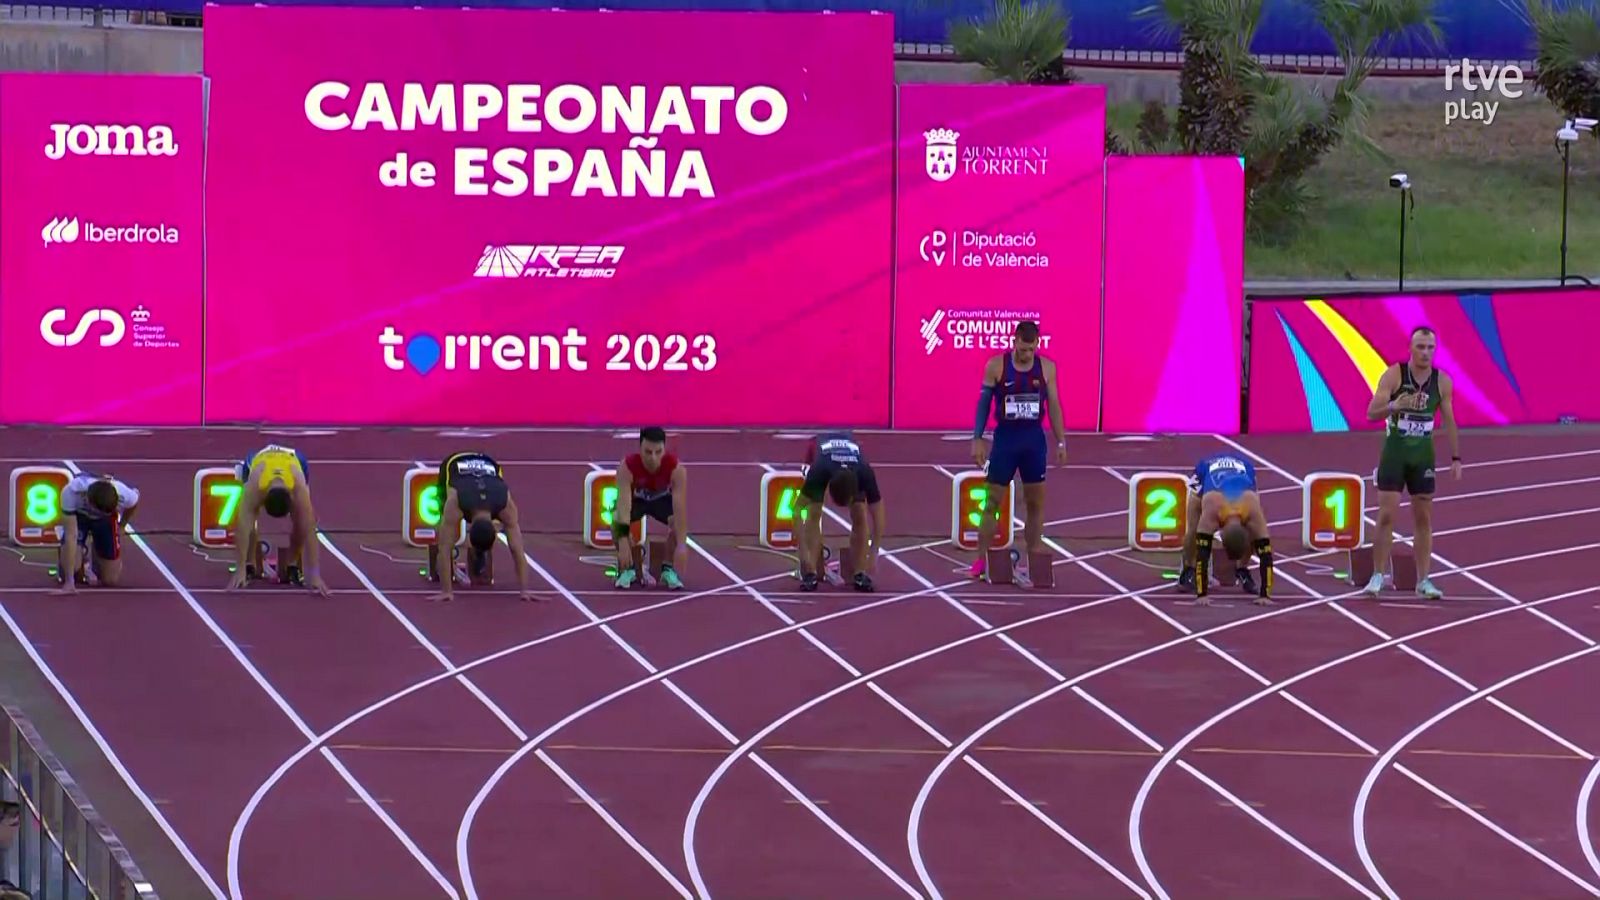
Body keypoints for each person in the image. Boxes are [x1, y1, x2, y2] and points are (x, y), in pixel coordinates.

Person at [1363, 325, 1461, 599]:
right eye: (1420, 347)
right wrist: (1396, 405)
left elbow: (1450, 420)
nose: (1426, 353)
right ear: (1410, 349)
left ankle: (1424, 580)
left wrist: (1456, 457)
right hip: (1395, 455)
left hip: (1422, 458)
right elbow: (1371, 413)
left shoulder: (1442, 382)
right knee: (1386, 515)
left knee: (1423, 518)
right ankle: (1377, 575)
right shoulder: (1395, 375)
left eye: (1430, 348)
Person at [969, 320, 1067, 585]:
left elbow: (1055, 406)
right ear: (1014, 342)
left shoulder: (1047, 368)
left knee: (1035, 503)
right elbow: (983, 405)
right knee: (992, 502)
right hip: (1006, 441)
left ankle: (1033, 557)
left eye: (1030, 350)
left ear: (1037, 344)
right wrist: (977, 438)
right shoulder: (996, 366)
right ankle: (981, 559)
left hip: (1033, 441)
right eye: (1022, 349)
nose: (1026, 355)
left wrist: (1061, 442)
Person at [429, 451, 535, 601]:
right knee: (445, 527)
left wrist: (448, 593)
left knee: (446, 540)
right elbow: (518, 551)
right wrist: (525, 591)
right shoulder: (455, 504)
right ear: (496, 526)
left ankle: (469, 564)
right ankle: (440, 569)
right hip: (454, 462)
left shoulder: (506, 506)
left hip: (488, 463)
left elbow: (445, 550)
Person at [228, 444, 330, 596]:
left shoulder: (298, 486)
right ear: (263, 498)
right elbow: (242, 527)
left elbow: (309, 528)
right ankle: (250, 563)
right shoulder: (255, 485)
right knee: (249, 518)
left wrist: (315, 574)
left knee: (301, 521)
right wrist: (240, 568)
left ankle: (292, 564)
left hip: (294, 460)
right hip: (259, 459)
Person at [794, 431, 885, 593]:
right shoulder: (819, 471)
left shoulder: (864, 472)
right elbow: (798, 509)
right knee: (813, 512)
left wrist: (874, 553)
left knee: (860, 513)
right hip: (817, 452)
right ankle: (810, 574)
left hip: (848, 460)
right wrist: (803, 553)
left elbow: (878, 516)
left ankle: (859, 573)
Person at [1179, 452, 1273, 604]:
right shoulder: (1212, 506)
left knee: (1256, 534)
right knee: (1193, 530)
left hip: (1244, 468)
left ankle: (1242, 569)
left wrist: (1265, 595)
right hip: (1206, 471)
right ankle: (1188, 569)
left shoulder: (1252, 507)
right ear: (1221, 535)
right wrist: (1202, 595)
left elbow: (1265, 552)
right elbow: (1203, 552)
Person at [613, 427, 688, 590]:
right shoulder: (627, 467)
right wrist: (623, 540)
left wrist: (682, 545)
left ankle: (667, 569)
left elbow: (680, 509)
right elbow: (623, 507)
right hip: (637, 501)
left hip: (662, 501)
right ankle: (628, 568)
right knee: (616, 520)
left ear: (664, 450)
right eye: (648, 452)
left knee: (677, 522)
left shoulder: (677, 470)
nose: (653, 458)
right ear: (640, 449)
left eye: (658, 452)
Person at [53, 471, 140, 593]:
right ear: (87, 499)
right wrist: (69, 582)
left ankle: (96, 555)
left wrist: (122, 526)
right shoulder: (71, 492)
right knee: (71, 570)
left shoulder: (124, 493)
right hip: (79, 516)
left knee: (110, 580)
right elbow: (71, 535)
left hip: (105, 521)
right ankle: (75, 558)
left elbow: (134, 503)